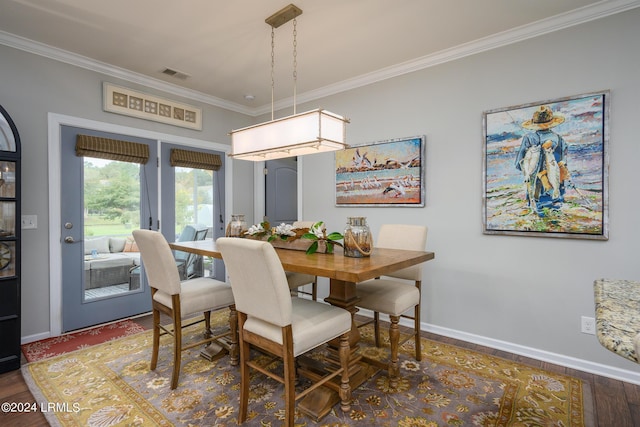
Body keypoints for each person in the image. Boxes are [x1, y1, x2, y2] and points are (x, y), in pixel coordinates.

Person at [514, 105, 569, 216]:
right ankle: (556, 206)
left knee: (538, 207)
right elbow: (564, 158)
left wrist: (527, 170)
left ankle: (538, 211)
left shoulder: (529, 138)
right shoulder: (559, 138)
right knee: (556, 206)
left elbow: (519, 161)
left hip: (537, 183)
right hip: (556, 180)